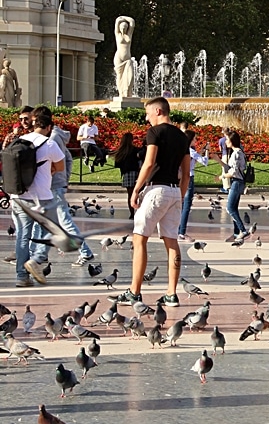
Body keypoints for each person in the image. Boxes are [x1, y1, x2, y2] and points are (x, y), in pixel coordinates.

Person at [111, 96, 189, 308]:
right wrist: (180, 197)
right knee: (172, 242)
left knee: (139, 239)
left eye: (147, 114)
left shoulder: (155, 132)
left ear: (157, 111)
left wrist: (136, 189)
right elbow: (187, 174)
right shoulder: (183, 138)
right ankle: (172, 294)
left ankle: (134, 292)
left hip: (156, 189)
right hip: (174, 191)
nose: (147, 119)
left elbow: (149, 162)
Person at [28, 105, 95, 268]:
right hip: (51, 186)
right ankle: (36, 254)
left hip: (53, 186)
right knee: (41, 220)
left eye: (34, 120)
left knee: (64, 221)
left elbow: (62, 161)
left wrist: (61, 180)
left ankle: (85, 252)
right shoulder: (54, 136)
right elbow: (69, 159)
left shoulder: (52, 138)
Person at [10, 112, 64, 286]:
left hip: (19, 195)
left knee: (22, 237)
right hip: (42, 196)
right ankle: (37, 259)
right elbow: (61, 166)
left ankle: (21, 277)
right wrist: (50, 170)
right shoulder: (49, 143)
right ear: (48, 128)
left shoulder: (20, 141)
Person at [178, 130, 209, 240]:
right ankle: (182, 232)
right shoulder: (190, 151)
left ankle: (177, 229)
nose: (196, 141)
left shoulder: (181, 149)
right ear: (190, 140)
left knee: (180, 205)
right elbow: (205, 162)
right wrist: (207, 152)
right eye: (194, 139)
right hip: (189, 177)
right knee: (186, 206)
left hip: (180, 178)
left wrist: (200, 151)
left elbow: (193, 161)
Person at [223, 130, 249, 242]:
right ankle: (236, 232)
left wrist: (223, 176)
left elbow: (233, 171)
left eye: (227, 139)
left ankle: (243, 230)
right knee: (234, 208)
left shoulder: (236, 153)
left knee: (229, 208)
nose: (225, 142)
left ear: (232, 141)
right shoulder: (239, 152)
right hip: (238, 182)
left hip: (236, 182)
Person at [114, 132, 143, 219]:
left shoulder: (121, 151)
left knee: (130, 195)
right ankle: (139, 212)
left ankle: (132, 213)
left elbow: (117, 164)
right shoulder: (135, 150)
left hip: (127, 174)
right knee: (139, 194)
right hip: (136, 173)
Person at [114, 16, 135, 98]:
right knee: (119, 76)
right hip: (118, 58)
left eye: (125, 27)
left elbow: (132, 23)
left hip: (127, 59)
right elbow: (117, 21)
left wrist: (124, 18)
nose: (124, 28)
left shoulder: (129, 35)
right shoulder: (117, 35)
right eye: (122, 27)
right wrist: (120, 19)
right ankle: (121, 93)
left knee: (131, 76)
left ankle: (128, 92)